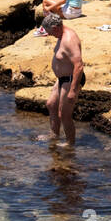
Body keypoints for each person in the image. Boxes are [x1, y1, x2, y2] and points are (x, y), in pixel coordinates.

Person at [41, 13, 83, 146]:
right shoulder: (60, 34)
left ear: (55, 28)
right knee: (51, 105)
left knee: (64, 114)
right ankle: (54, 135)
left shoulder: (69, 40)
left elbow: (79, 65)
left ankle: (70, 144)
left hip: (71, 80)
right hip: (62, 79)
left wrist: (73, 90)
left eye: (50, 32)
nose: (50, 35)